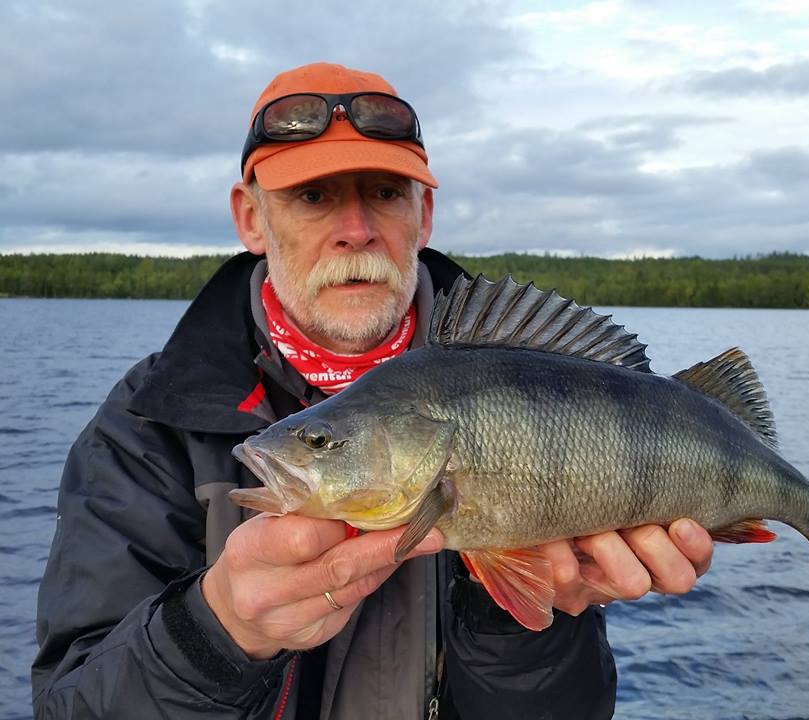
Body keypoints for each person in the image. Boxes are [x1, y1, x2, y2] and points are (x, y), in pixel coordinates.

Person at [32, 62, 713, 719]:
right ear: (250, 218)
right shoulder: (147, 426)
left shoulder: (515, 363)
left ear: (425, 213)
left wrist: (521, 615)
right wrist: (218, 632)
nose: (355, 231)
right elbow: (72, 705)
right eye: (313, 197)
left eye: (385, 194)